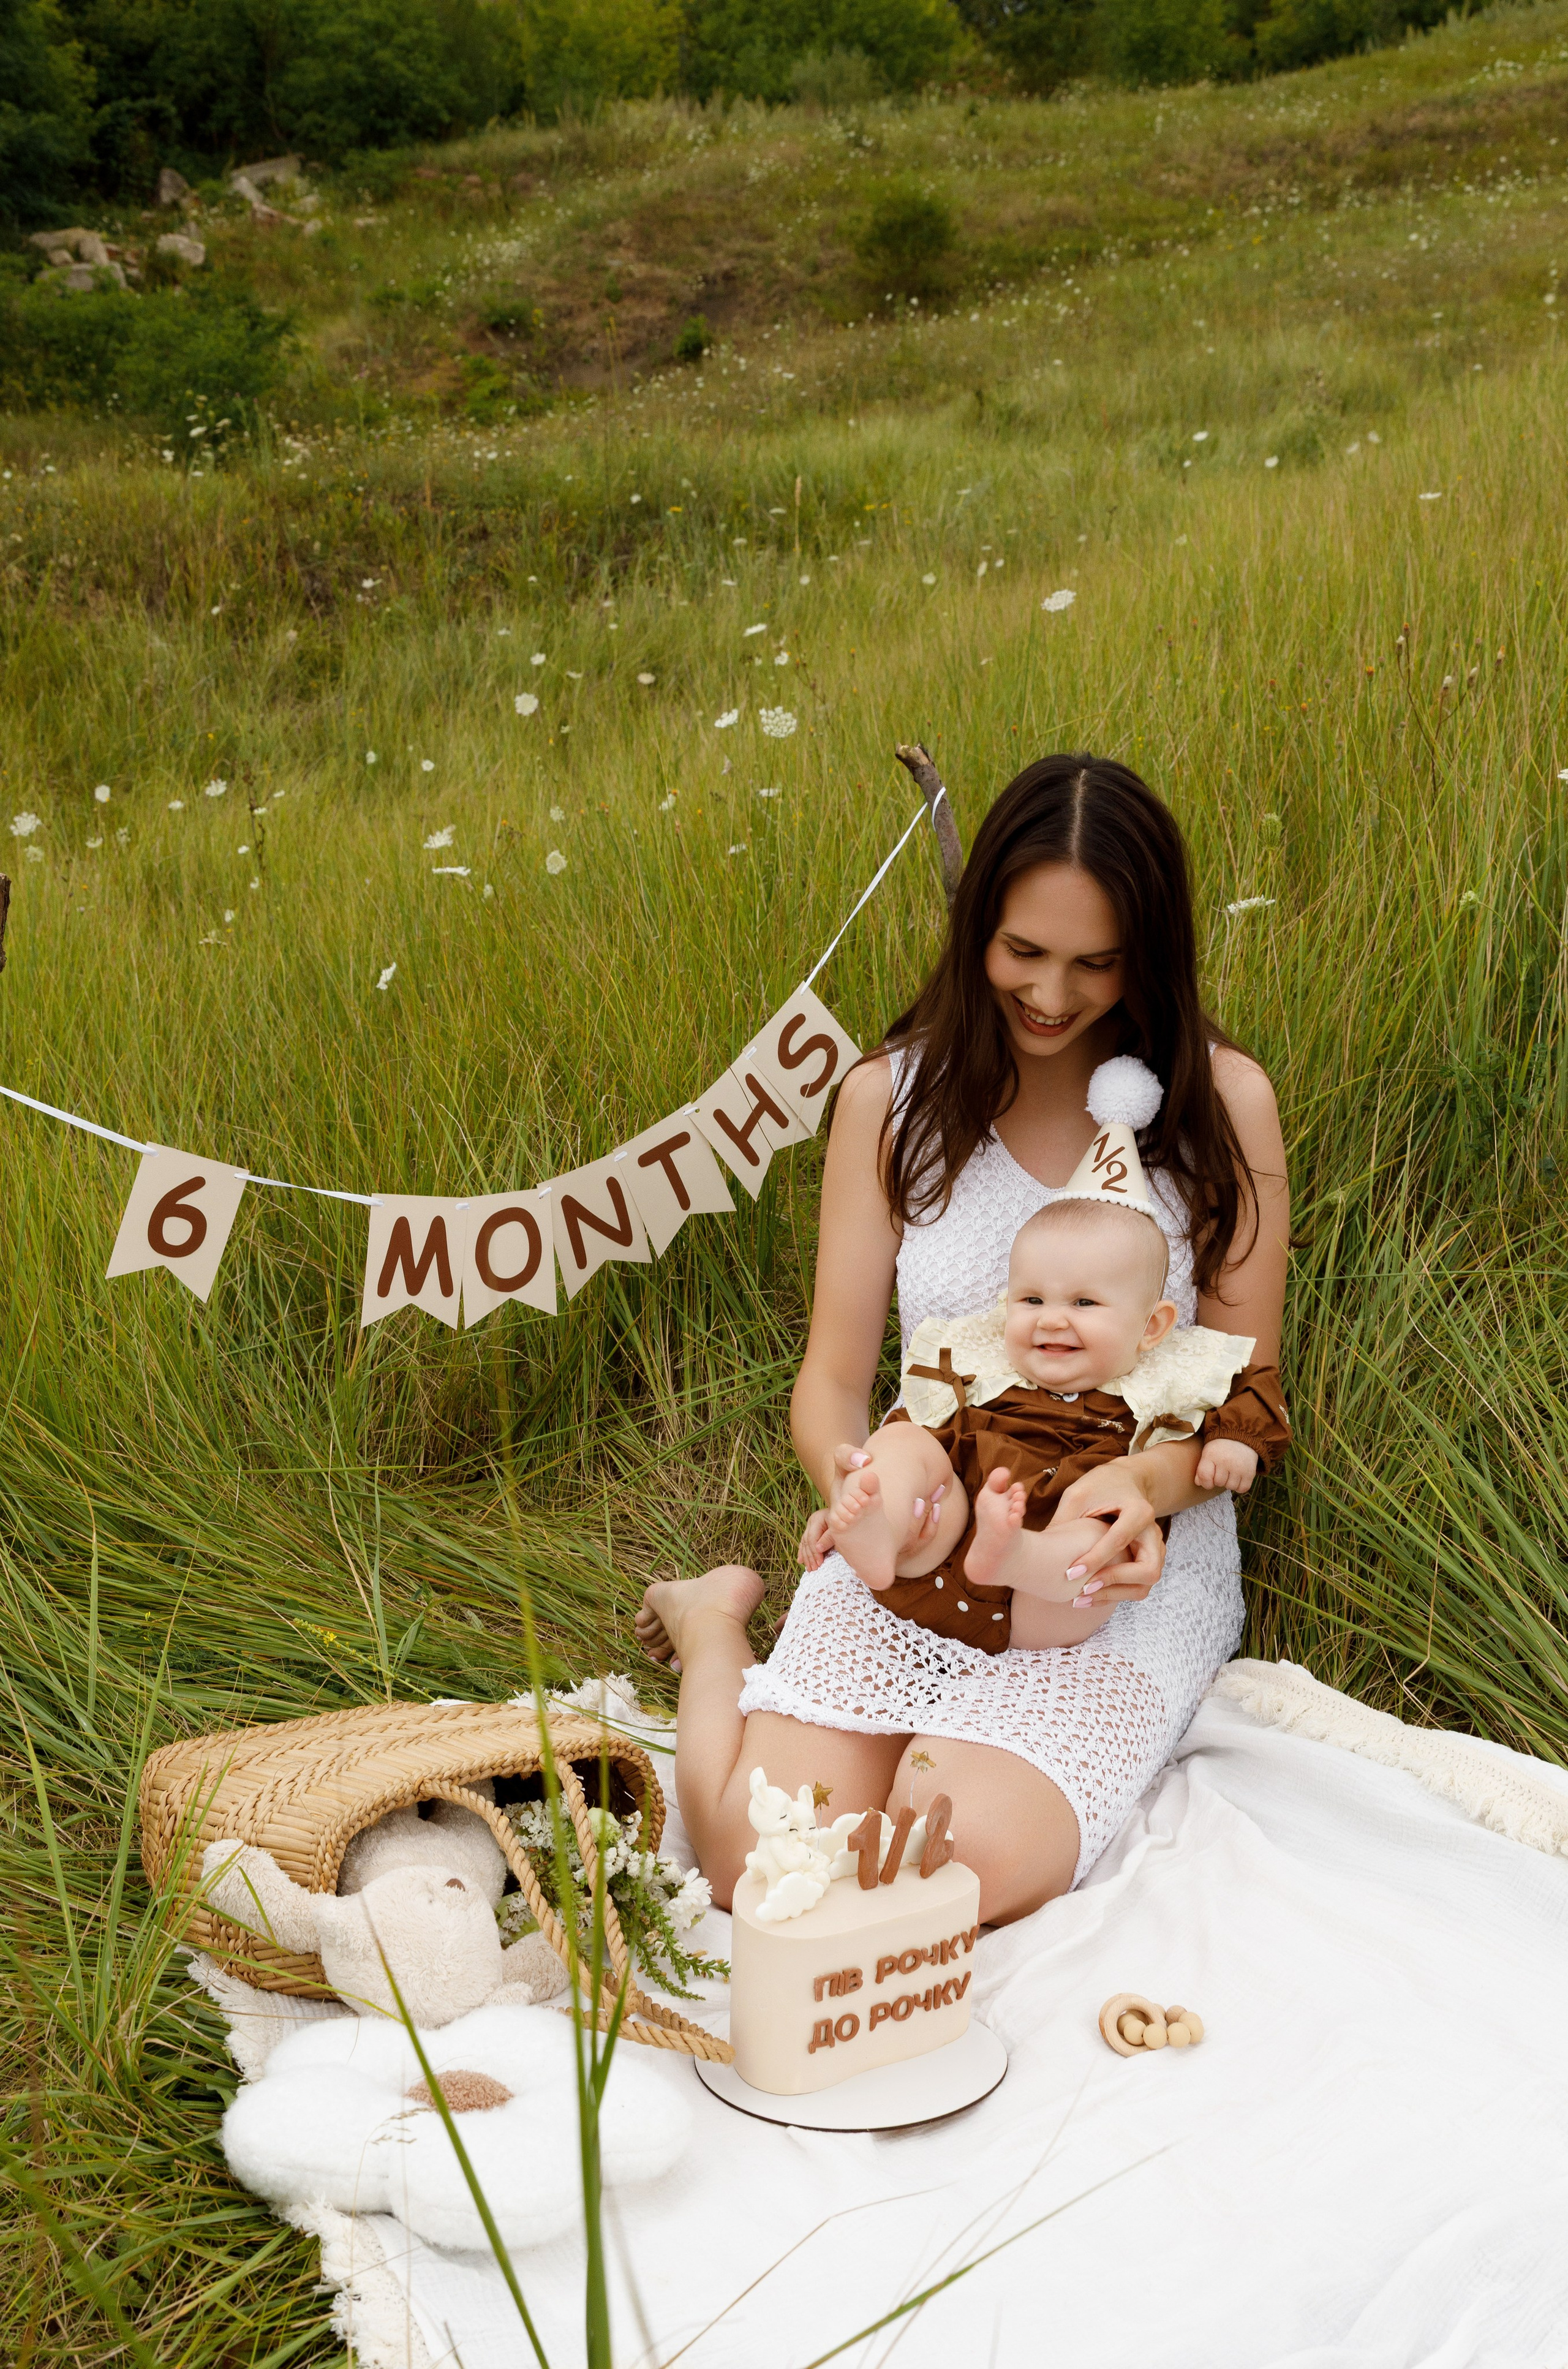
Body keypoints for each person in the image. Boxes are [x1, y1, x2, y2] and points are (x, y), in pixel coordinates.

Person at [636, 754, 1290, 1925]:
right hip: (918, 1527)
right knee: (759, 1863)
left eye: (1095, 962)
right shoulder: (890, 1099)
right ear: (975, 924)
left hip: (1109, 1570)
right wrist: (855, 1488)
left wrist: (1139, 1486)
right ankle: (712, 1620)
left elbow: (1246, 1384)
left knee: (943, 1862)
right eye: (1022, 951)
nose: (1051, 992)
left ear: (1152, 954)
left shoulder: (1220, 1103)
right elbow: (835, 1380)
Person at [826, 1067, 1291, 1654]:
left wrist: (1233, 1444)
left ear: (1151, 1327)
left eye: (1084, 1303)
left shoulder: (1169, 1373)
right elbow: (920, 1419)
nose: (1051, 1318)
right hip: (939, 1544)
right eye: (1032, 1299)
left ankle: (1021, 1554)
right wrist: (890, 1469)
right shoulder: (985, 1359)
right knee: (905, 1445)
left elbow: (1250, 1388)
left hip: (1042, 1605)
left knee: (1098, 1532)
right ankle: (881, 1529)